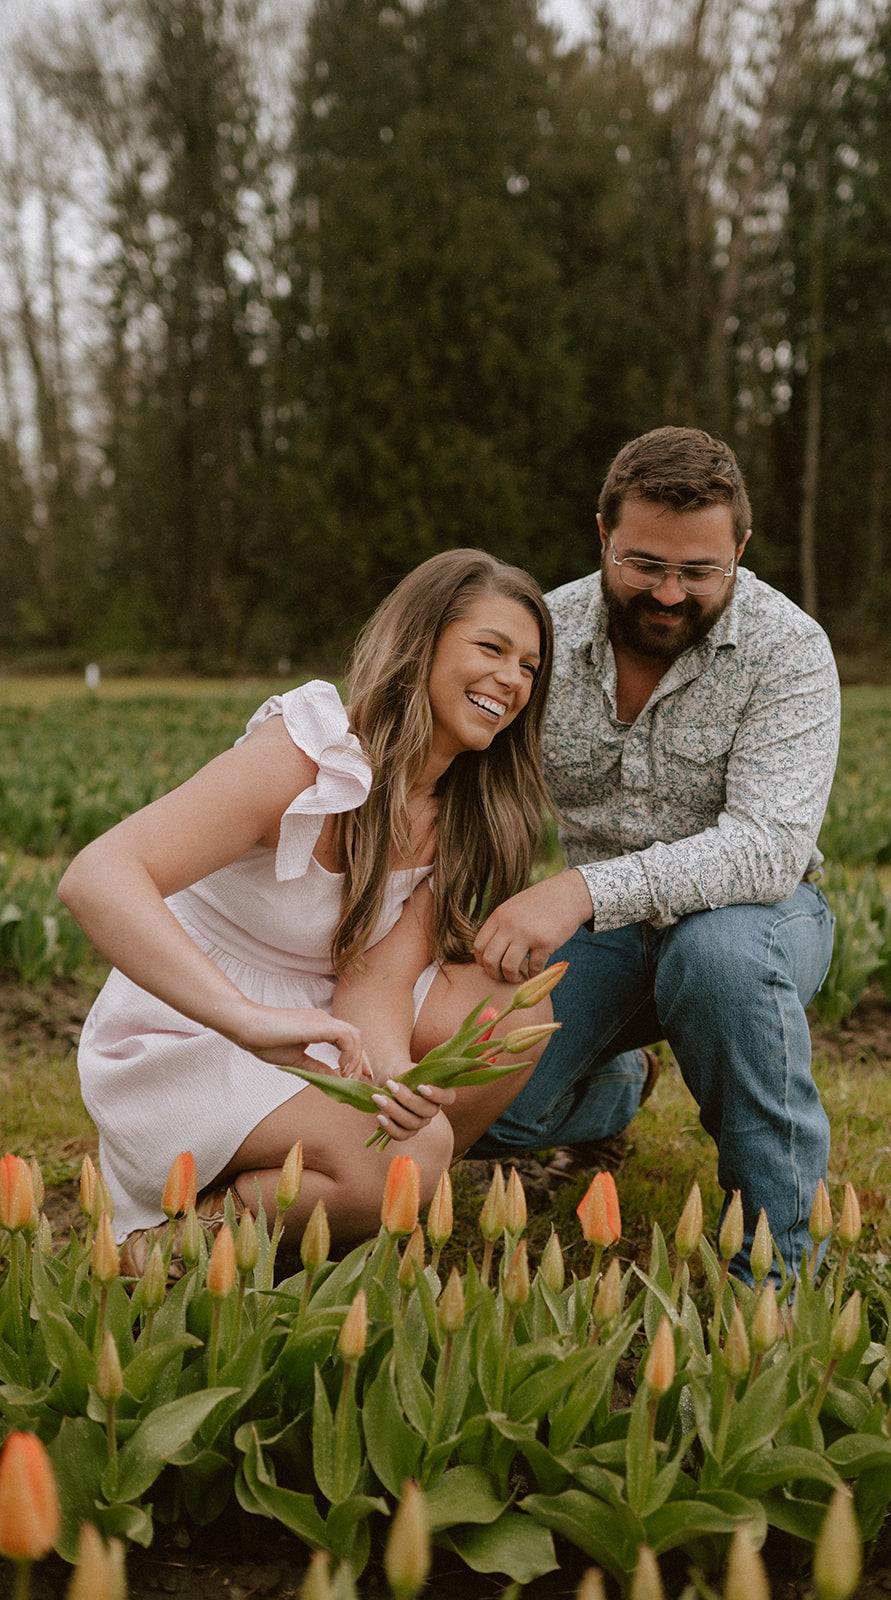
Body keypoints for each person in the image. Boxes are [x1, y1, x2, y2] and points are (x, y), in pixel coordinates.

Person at [59, 549, 556, 1265]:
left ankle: (354, 1214)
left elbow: (377, 979)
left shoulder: (458, 809)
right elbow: (98, 875)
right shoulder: (306, 755)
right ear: (421, 642)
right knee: (403, 1160)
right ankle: (165, 1247)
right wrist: (243, 1018)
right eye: (491, 648)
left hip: (323, 1023)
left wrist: (389, 1075)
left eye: (528, 668)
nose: (510, 680)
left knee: (506, 1016)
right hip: (194, 1027)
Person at [469, 427, 840, 1281]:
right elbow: (466, 771)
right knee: (485, 1108)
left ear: (739, 551)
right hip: (602, 936)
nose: (669, 593)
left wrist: (578, 891)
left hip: (752, 917)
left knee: (718, 961)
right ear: (601, 533)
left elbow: (768, 847)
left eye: (700, 572)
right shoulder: (541, 635)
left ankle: (776, 1278)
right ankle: (615, 1090)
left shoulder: (787, 649)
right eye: (643, 564)